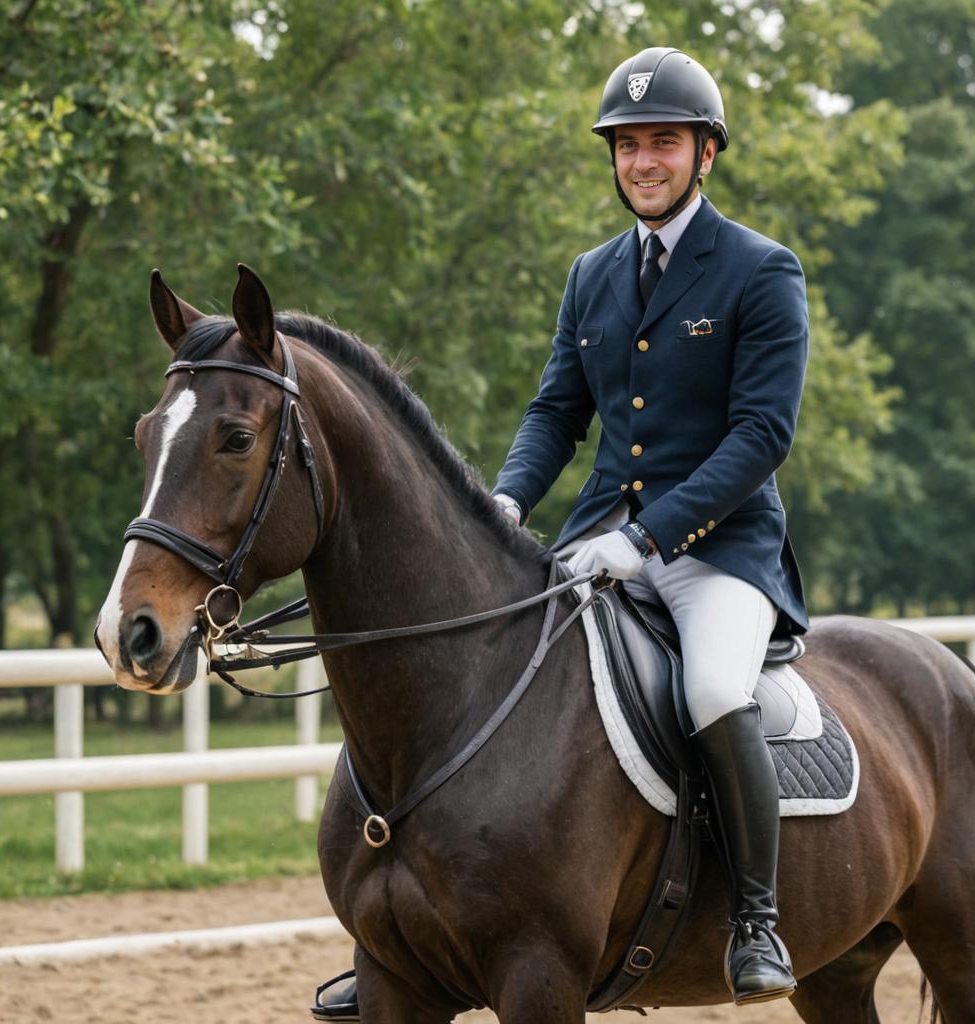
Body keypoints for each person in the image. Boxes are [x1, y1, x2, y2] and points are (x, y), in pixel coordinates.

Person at [313, 46, 808, 1019]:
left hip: (718, 554)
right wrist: (501, 506)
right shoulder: (591, 275)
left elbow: (761, 435)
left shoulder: (758, 269)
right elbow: (554, 413)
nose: (642, 162)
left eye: (662, 142)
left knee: (711, 685)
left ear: (704, 152)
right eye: (627, 146)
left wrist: (652, 536)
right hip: (591, 547)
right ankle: (406, 938)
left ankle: (755, 916)